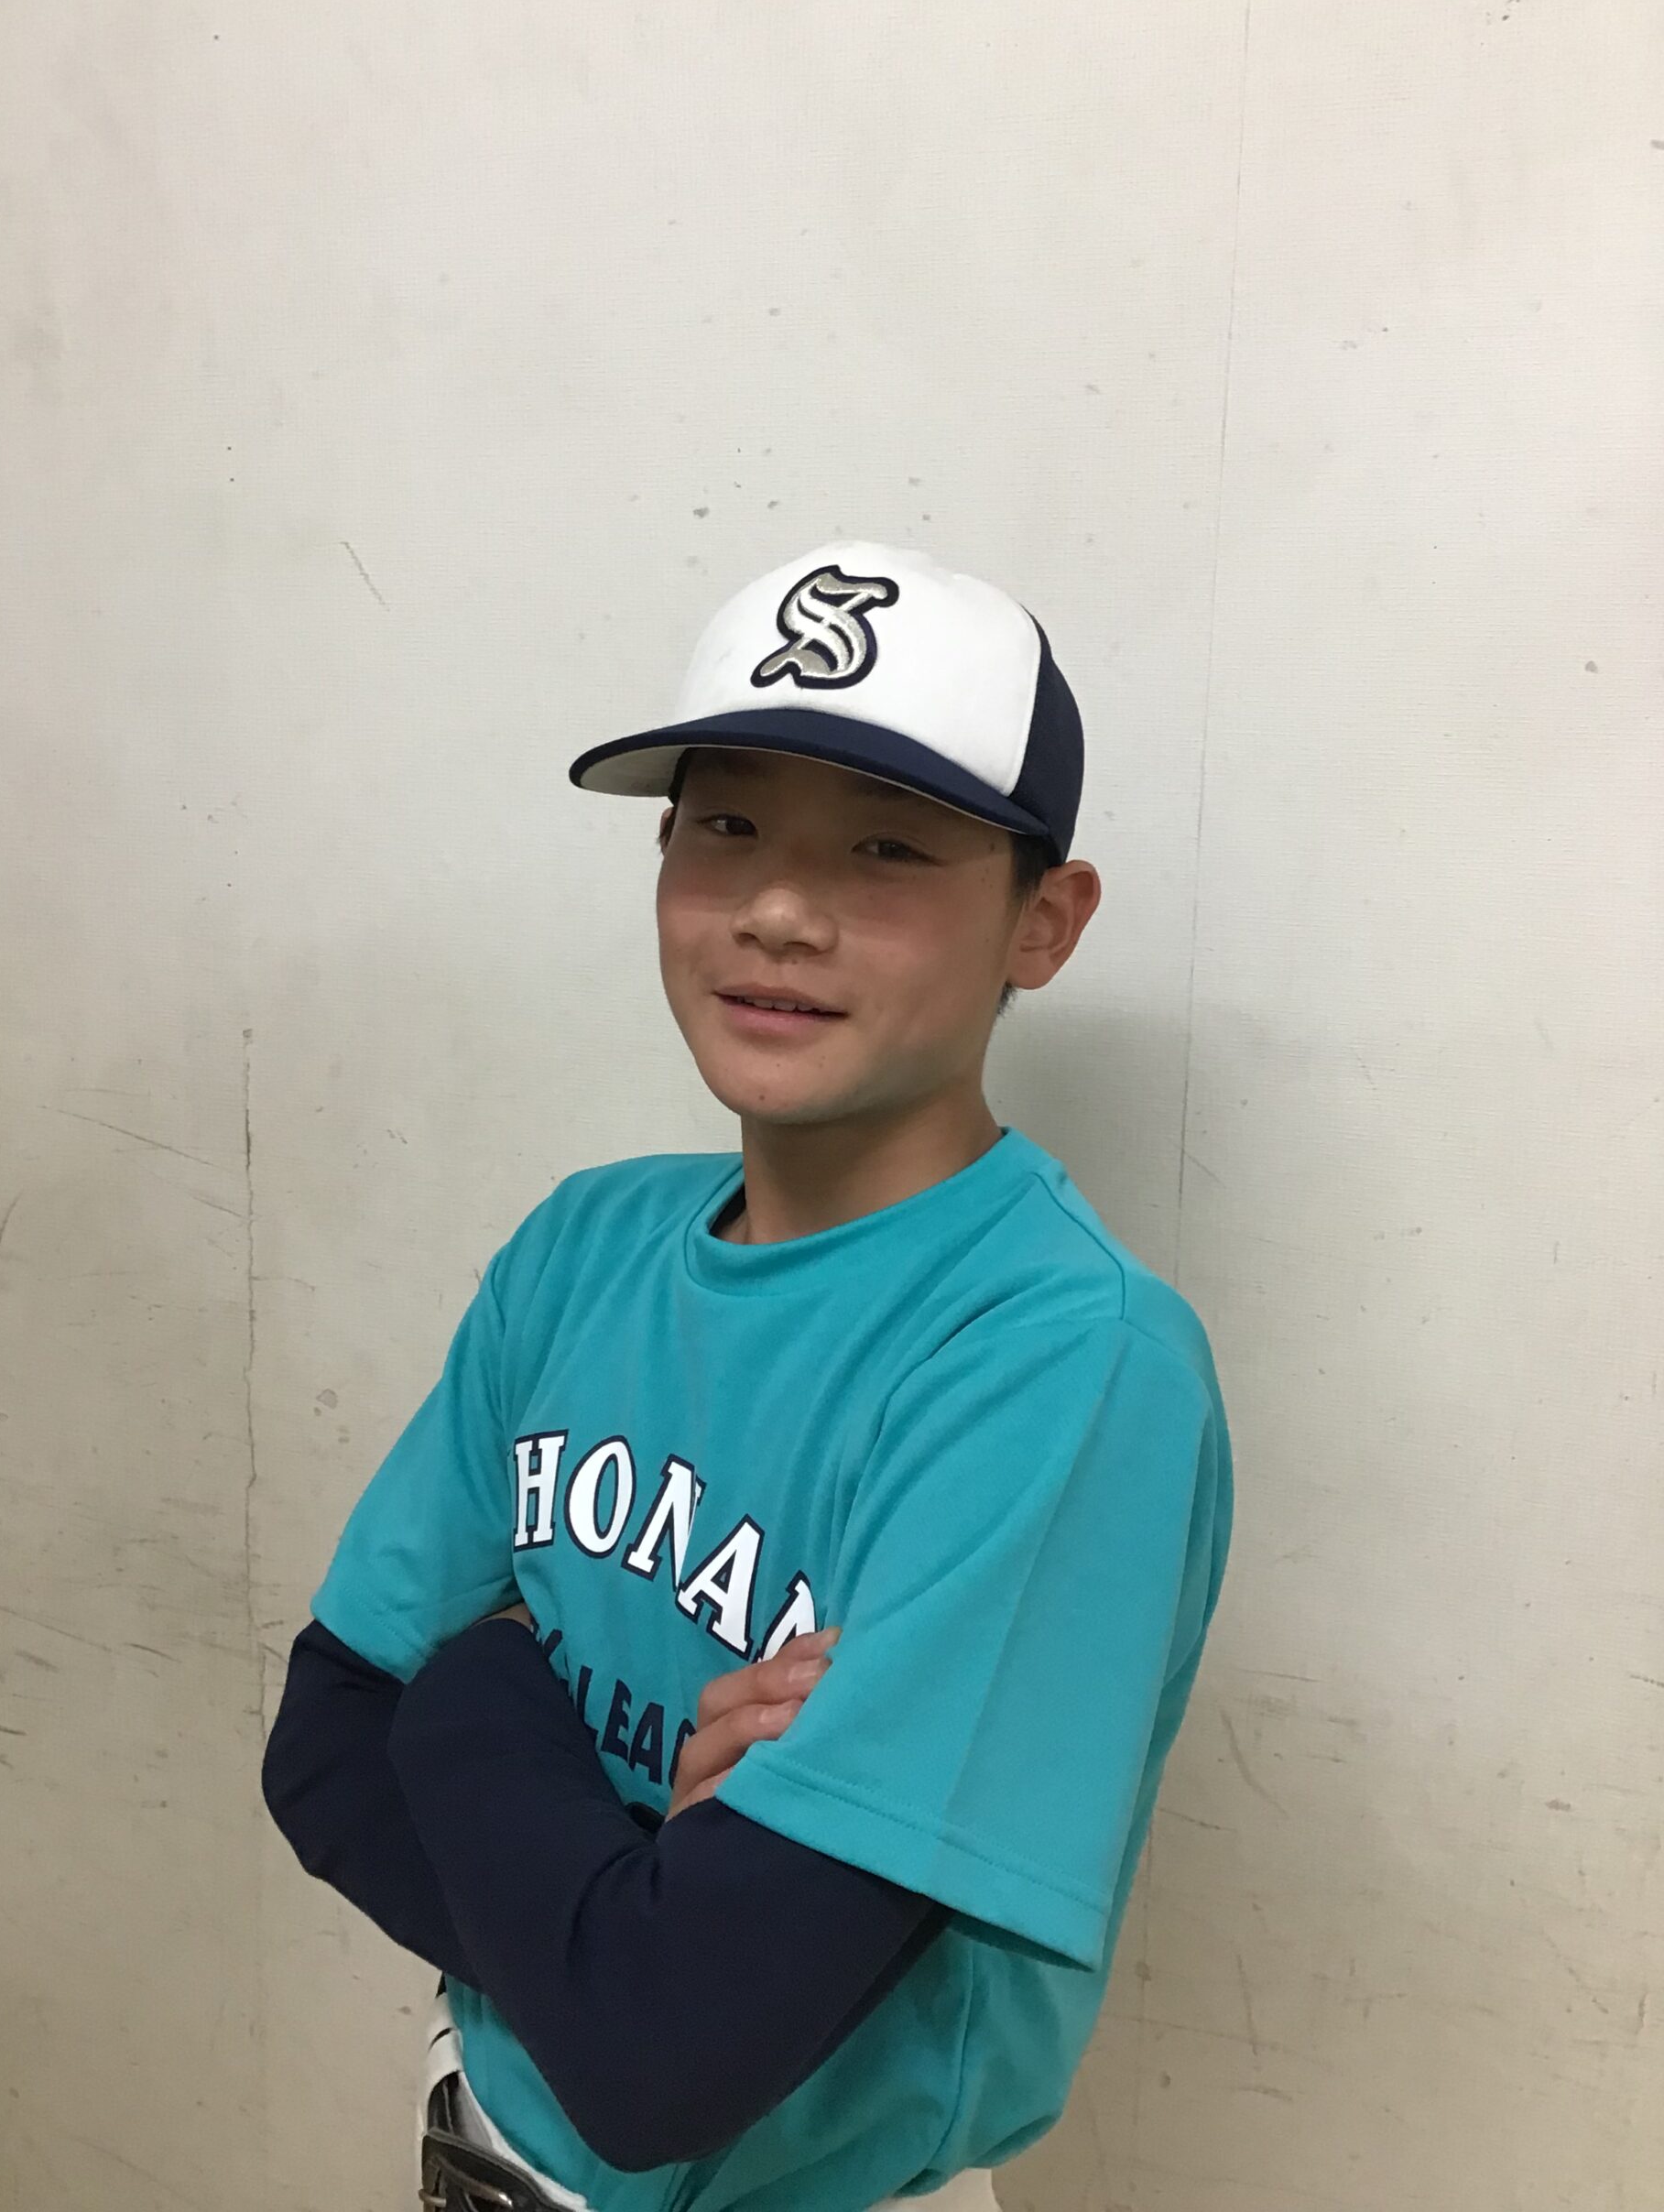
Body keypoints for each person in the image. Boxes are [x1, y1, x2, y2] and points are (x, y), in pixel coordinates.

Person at [262, 540, 1234, 2212]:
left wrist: (482, 1687)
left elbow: (668, 2048)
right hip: (473, 2139)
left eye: (887, 845)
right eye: (724, 827)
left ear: (1045, 922)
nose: (780, 909)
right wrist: (632, 1890)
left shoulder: (1060, 1363)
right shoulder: (584, 1246)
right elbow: (325, 1753)